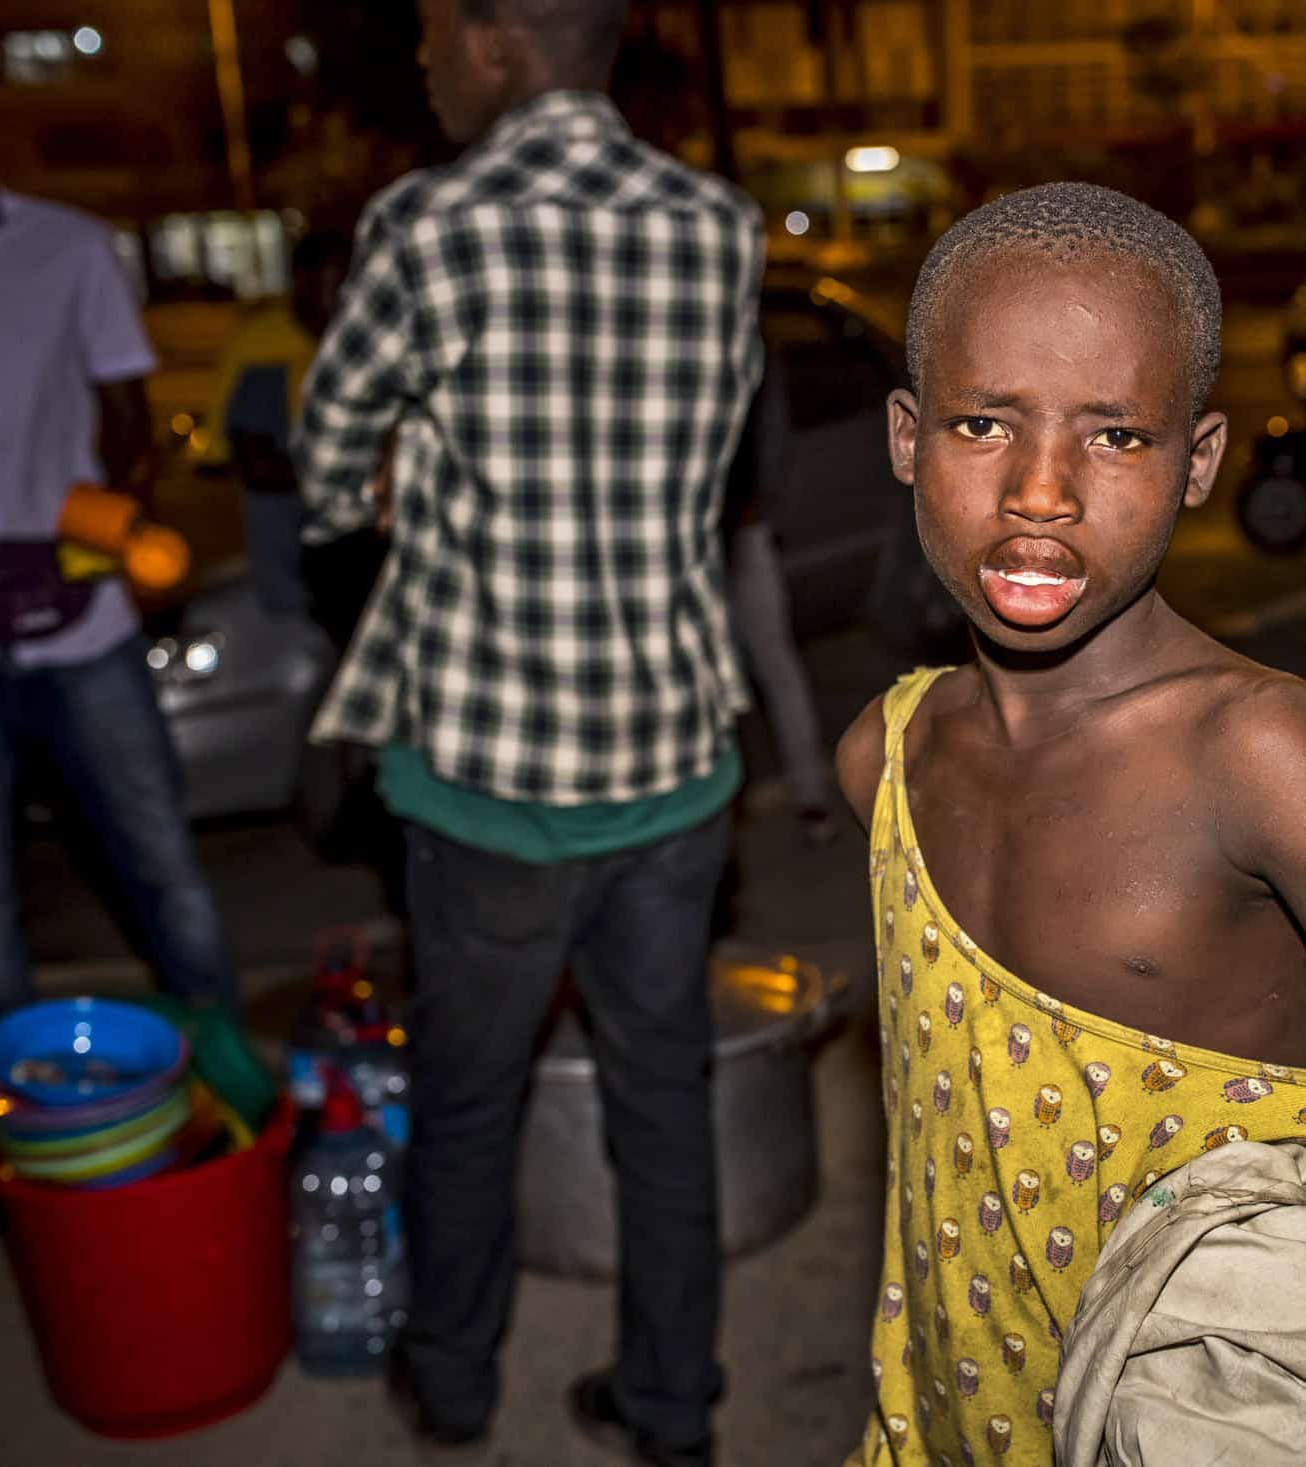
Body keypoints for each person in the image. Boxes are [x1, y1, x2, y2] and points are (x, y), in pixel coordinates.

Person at [834, 183, 1306, 1467]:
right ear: (908, 436)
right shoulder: (888, 758)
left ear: (1197, 462)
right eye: (982, 423)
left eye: (1115, 438)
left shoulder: (1257, 753)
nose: (1040, 491)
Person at [294, 1, 761, 1460]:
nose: (423, 57)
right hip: (678, 760)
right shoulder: (720, 224)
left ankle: (453, 1384)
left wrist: (410, 472)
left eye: (434, 29)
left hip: (491, 778)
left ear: (500, 39)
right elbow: (718, 458)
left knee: (470, 1099)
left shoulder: (428, 227)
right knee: (663, 1104)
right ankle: (674, 1409)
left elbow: (320, 467)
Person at [0, 9, 240, 1041]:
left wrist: (111, 535)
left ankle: (226, 1099)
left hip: (83, 626)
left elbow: (130, 425)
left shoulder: (68, 250)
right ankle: (23, 1132)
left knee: (165, 867)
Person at [201, 230, 353, 619]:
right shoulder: (262, 354)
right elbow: (258, 468)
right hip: (293, 562)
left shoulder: (360, 342)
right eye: (337, 287)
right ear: (302, 281)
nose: (348, 302)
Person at [723, 342, 840, 843]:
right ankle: (726, 803)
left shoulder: (749, 342)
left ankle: (810, 793)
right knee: (712, 677)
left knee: (775, 663)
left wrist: (758, 499)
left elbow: (772, 429)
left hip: (743, 530)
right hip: (687, 536)